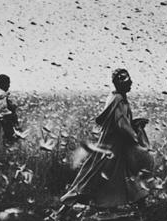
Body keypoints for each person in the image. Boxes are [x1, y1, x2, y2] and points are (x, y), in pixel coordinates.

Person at [60, 68, 153, 208]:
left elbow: (119, 121)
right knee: (96, 174)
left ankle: (139, 203)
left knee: (118, 173)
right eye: (128, 81)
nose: (131, 83)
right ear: (121, 83)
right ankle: (68, 205)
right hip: (113, 145)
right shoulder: (119, 100)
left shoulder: (114, 97)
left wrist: (134, 124)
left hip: (113, 144)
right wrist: (135, 136)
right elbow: (121, 124)